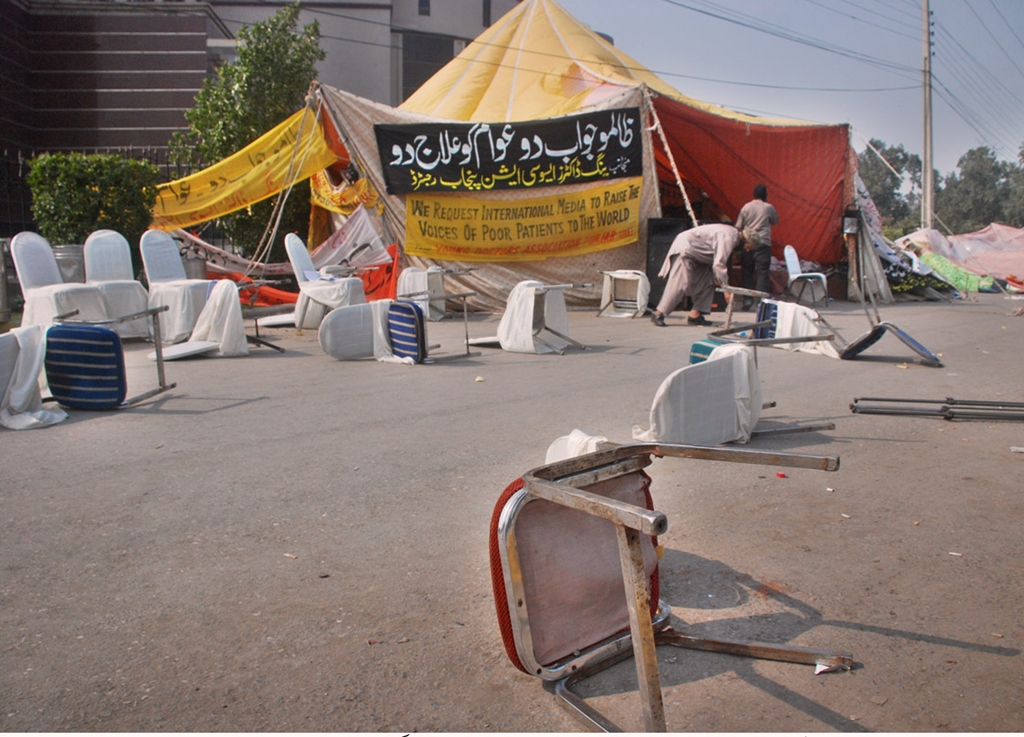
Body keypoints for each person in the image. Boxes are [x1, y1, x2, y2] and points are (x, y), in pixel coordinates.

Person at [650, 223, 756, 327]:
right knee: (681, 283)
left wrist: (720, 281)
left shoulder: (732, 234)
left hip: (699, 255)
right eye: (748, 247)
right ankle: (658, 313)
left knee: (709, 281)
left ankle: (696, 314)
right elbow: (719, 264)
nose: (746, 250)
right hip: (686, 248)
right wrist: (726, 289)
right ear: (745, 240)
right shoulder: (729, 238)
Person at [734, 183, 779, 306]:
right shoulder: (769, 207)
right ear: (765, 195)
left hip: (748, 243)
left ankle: (747, 299)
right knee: (763, 272)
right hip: (763, 243)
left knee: (747, 271)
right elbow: (775, 220)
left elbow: (738, 226)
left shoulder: (746, 207)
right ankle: (761, 301)